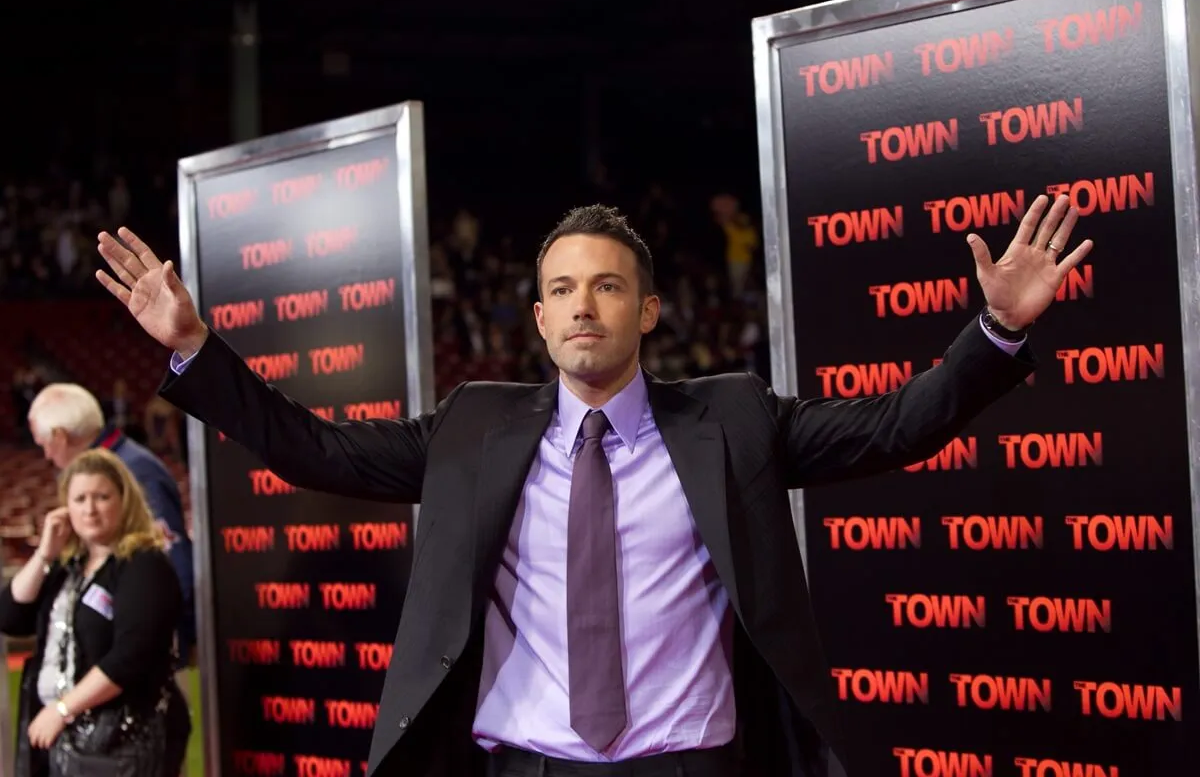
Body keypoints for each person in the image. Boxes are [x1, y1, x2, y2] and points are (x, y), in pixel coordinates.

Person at [93, 196, 1092, 777]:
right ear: (537, 316)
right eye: (563, 288)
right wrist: (194, 349)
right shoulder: (472, 426)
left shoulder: (735, 416)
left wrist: (995, 332)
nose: (584, 305)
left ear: (649, 308)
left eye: (608, 285)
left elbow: (892, 425)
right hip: (522, 766)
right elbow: (314, 449)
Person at [26, 383, 197, 774]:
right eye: (80, 500)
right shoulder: (114, 467)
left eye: (43, 444)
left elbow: (173, 573)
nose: (45, 455)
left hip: (136, 700)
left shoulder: (135, 472)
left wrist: (173, 646)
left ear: (59, 436)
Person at [0, 448, 189, 777]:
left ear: (123, 501)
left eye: (101, 497)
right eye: (79, 499)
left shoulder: (144, 565)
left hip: (120, 742)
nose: (89, 509)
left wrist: (62, 709)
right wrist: (44, 554)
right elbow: (9, 617)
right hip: (64, 741)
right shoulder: (67, 567)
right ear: (65, 506)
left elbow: (131, 655)